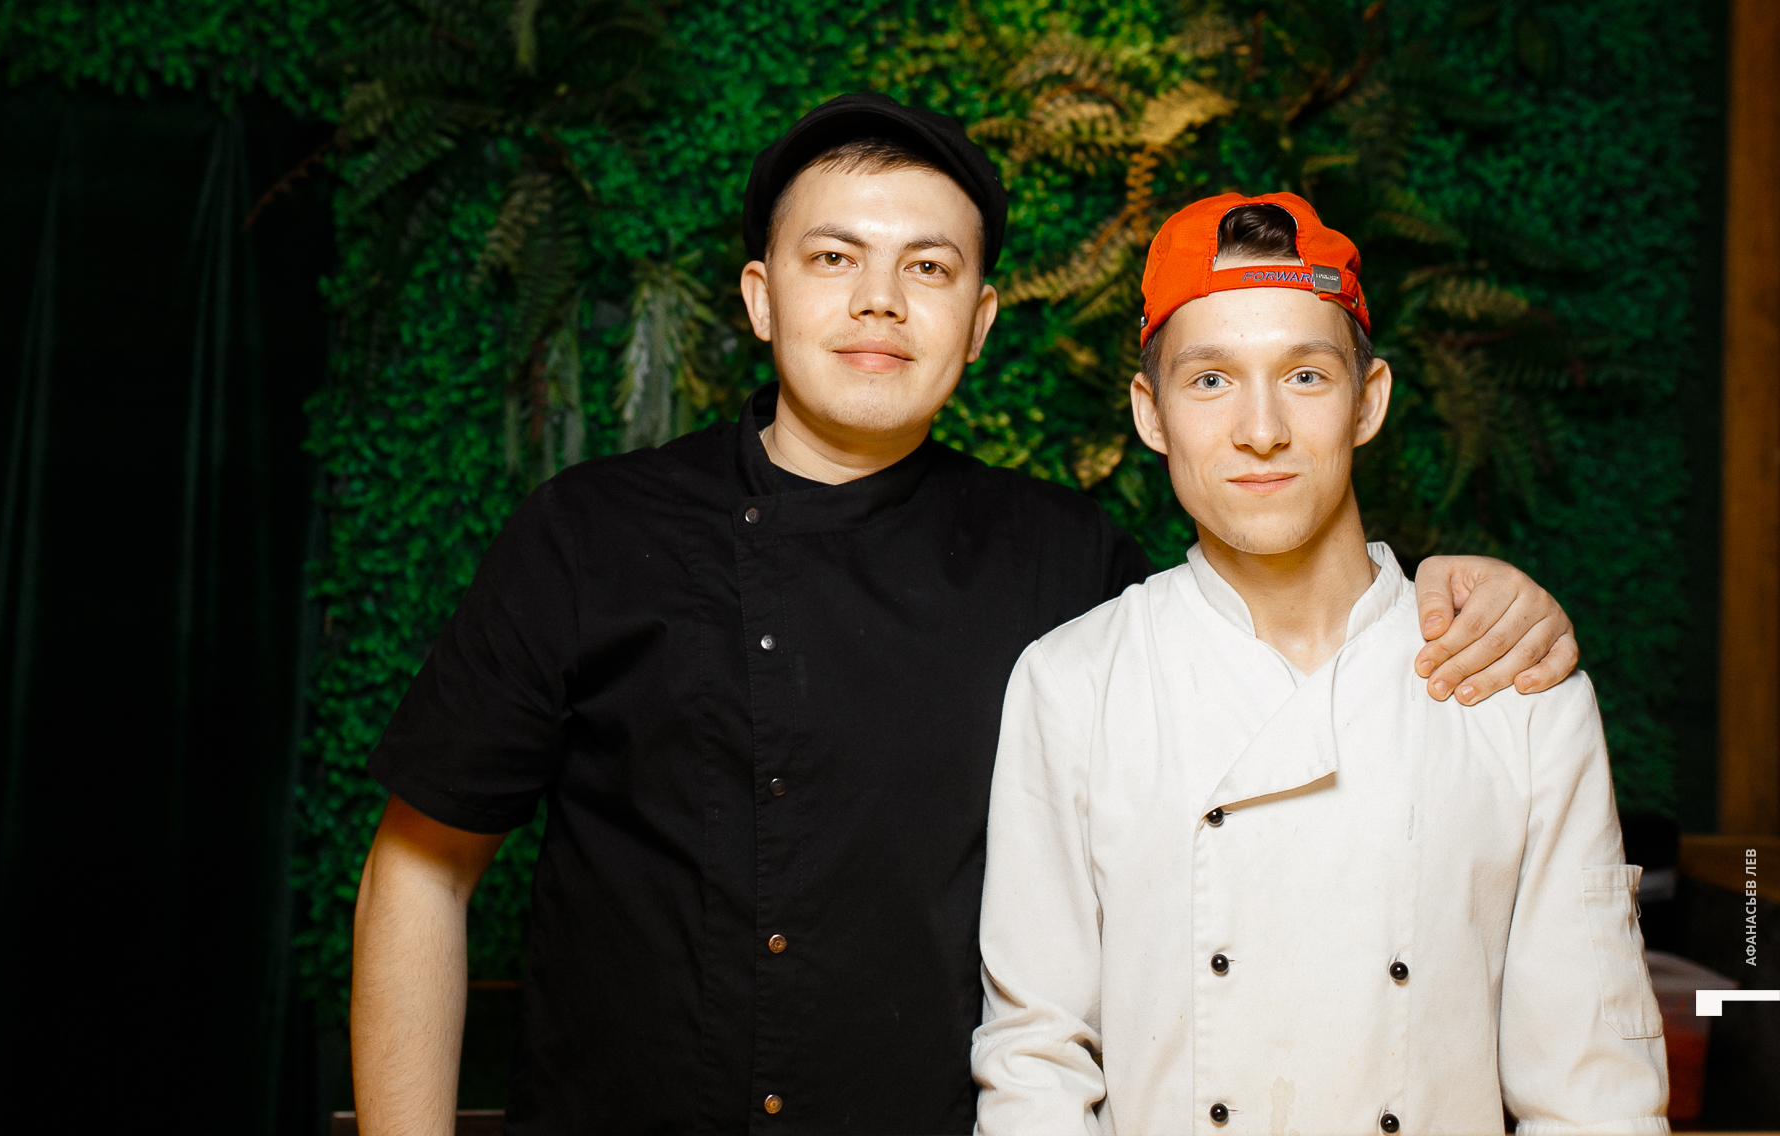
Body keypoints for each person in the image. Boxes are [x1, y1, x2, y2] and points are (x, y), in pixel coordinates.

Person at [348, 96, 1584, 1136]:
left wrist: (1461, 589)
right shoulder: (588, 534)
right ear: (761, 296)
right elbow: (420, 868)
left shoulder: (1064, 561)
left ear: (980, 321)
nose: (880, 301)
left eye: (928, 267)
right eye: (834, 258)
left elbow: (1265, 624)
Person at [972, 193, 1667, 1135]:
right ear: (1151, 413)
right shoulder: (1071, 684)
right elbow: (1035, 1066)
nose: (1261, 429)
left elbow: (1593, 1097)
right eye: (1210, 380)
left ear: (1367, 400)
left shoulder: (1519, 690)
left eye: (1304, 375)